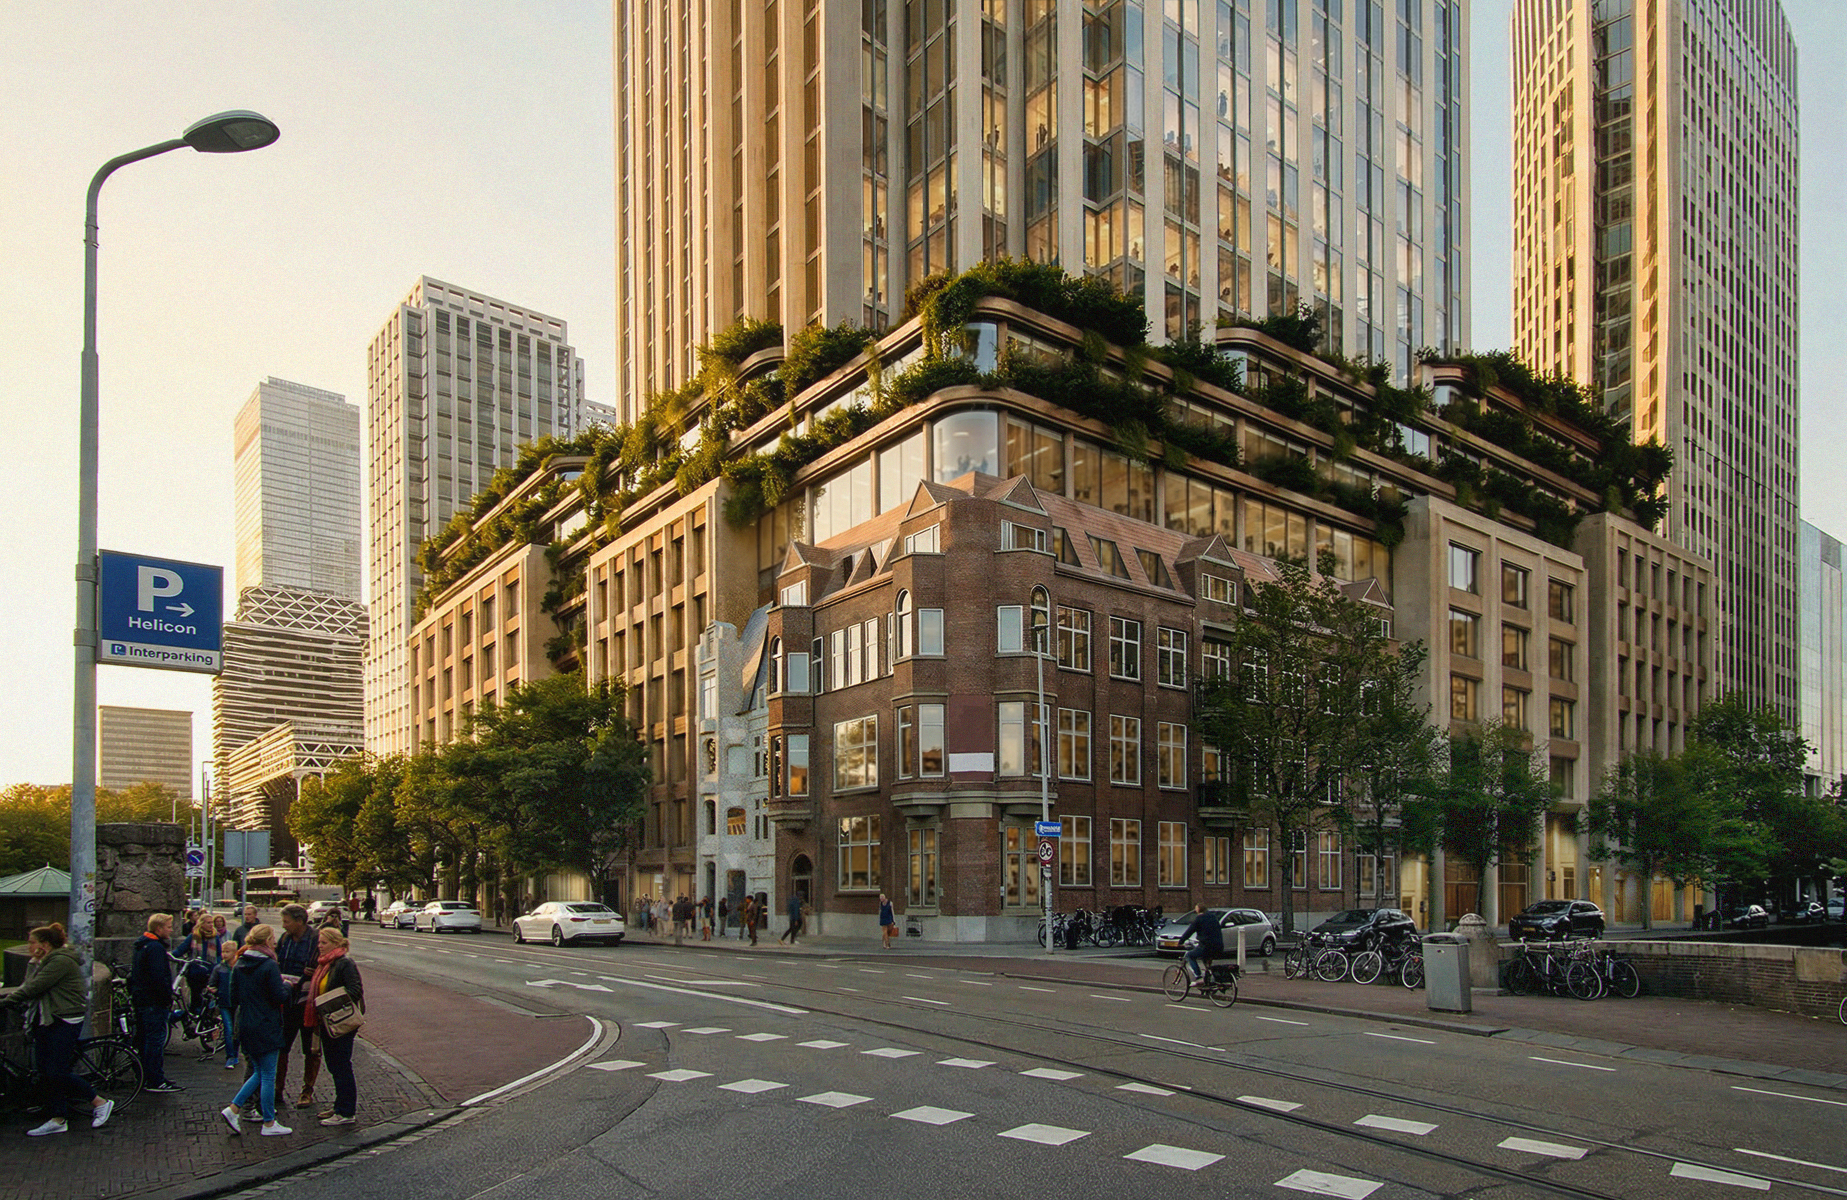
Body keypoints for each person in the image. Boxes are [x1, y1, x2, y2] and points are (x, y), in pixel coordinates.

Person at [0, 924, 114, 1135]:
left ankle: (99, 1102)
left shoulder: (60, 961)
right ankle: (58, 1118)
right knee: (45, 1071)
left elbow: (34, 987)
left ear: (45, 944)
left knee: (56, 1071)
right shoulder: (45, 961)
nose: (29, 945)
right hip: (48, 1020)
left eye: (32, 942)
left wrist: (6, 1001)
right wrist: (34, 961)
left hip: (63, 1020)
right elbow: (29, 983)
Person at [221, 924, 292, 1136]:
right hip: (266, 1024)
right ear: (266, 941)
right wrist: (287, 985)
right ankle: (269, 1122)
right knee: (269, 1074)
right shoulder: (269, 965)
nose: (274, 942)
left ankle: (234, 1108)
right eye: (272, 939)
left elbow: (233, 997)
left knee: (259, 1071)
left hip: (245, 1023)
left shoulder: (239, 964)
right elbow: (278, 996)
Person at [303, 928, 364, 1126]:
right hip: (327, 1022)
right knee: (334, 1065)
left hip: (340, 1022)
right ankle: (340, 1105)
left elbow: (354, 990)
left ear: (336, 944)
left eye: (324, 943)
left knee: (341, 1065)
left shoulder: (344, 963)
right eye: (319, 943)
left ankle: (346, 1112)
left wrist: (327, 1003)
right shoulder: (325, 964)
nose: (319, 946)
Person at [274, 904, 323, 1111]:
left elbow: (321, 965)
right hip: (287, 999)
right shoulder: (285, 939)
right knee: (282, 1045)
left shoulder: (315, 939)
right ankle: (277, 1089)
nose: (284, 926)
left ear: (299, 921)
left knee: (310, 1048)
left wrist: (311, 973)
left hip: (307, 1000)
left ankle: (307, 1090)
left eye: (287, 922)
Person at [129, 912, 182, 1093]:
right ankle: (155, 1080)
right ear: (158, 929)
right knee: (155, 1041)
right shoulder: (155, 949)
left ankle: (144, 1077)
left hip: (142, 1000)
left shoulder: (141, 945)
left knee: (144, 1039)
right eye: (168, 927)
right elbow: (159, 978)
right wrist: (167, 998)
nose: (171, 930)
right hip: (153, 1002)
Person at [213, 944, 241, 1070]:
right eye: (223, 951)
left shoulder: (239, 967)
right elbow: (212, 983)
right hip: (224, 1003)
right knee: (228, 1030)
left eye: (227, 952)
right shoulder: (219, 968)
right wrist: (213, 989)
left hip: (237, 1003)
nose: (224, 954)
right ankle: (230, 1056)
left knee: (237, 1031)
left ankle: (235, 1054)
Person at [1180, 904, 1224, 984]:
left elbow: (1189, 931)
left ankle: (1198, 976)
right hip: (1219, 946)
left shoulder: (1199, 919)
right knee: (1205, 959)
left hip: (1207, 946)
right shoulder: (1213, 917)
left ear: (1198, 910)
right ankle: (1210, 979)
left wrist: (1181, 941)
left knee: (1190, 955)